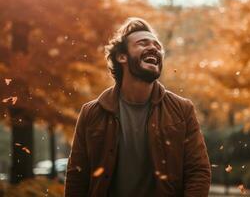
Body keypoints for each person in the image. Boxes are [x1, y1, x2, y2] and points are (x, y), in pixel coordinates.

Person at [65, 17, 211, 197]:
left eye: (157, 46)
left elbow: (198, 171)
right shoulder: (91, 112)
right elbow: (77, 176)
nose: (153, 48)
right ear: (121, 57)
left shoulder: (182, 109)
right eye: (143, 43)